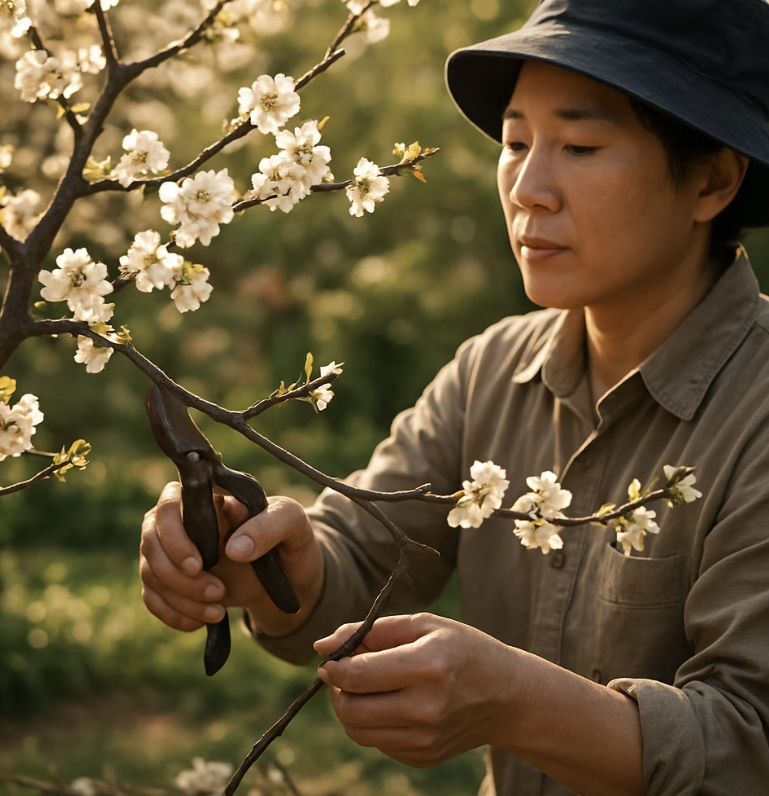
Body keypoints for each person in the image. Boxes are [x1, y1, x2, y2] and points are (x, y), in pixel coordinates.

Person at [139, 0, 769, 793]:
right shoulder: (490, 372)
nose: (529, 188)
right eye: (516, 142)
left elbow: (749, 742)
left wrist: (517, 703)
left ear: (712, 179)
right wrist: (268, 566)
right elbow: (360, 562)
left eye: (580, 146)